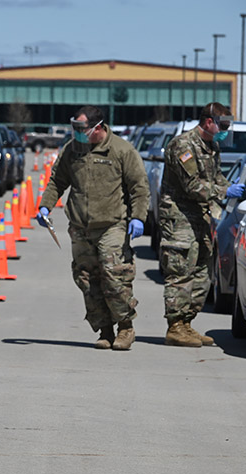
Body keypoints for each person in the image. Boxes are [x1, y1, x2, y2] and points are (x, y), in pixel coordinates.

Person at [37, 105, 148, 351]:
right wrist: (45, 206)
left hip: (112, 225)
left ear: (97, 128)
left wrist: (138, 217)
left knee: (113, 275)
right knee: (87, 279)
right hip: (80, 226)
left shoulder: (121, 150)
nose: (76, 132)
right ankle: (104, 330)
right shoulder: (72, 150)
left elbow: (139, 186)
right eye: (74, 127)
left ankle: (125, 327)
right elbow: (57, 181)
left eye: (81, 128)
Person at [160, 102, 244, 347]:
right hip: (180, 217)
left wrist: (229, 184)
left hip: (202, 216)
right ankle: (175, 326)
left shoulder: (212, 145)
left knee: (202, 271)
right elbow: (193, 185)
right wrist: (224, 190)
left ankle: (186, 323)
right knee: (180, 271)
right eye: (223, 125)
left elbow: (214, 176)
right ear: (209, 122)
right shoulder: (182, 145)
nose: (225, 131)